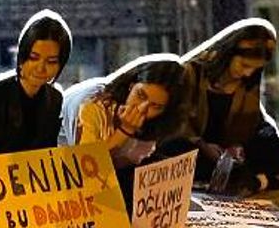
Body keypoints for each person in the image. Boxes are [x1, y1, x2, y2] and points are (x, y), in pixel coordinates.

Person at [172, 19, 279, 195]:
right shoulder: (190, 72)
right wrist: (203, 145)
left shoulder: (246, 85)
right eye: (244, 65)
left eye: (254, 69)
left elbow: (251, 123)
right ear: (228, 54)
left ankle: (265, 183)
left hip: (227, 154)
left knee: (267, 133)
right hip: (192, 149)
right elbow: (175, 122)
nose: (248, 73)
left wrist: (237, 145)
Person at [63, 56, 187, 215]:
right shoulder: (94, 106)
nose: (142, 108)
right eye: (140, 95)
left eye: (155, 106)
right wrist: (124, 131)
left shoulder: (156, 123)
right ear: (131, 86)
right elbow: (85, 165)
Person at [0, 10, 70, 154]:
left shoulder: (55, 99)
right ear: (22, 55)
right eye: (34, 58)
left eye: (51, 61)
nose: (41, 68)